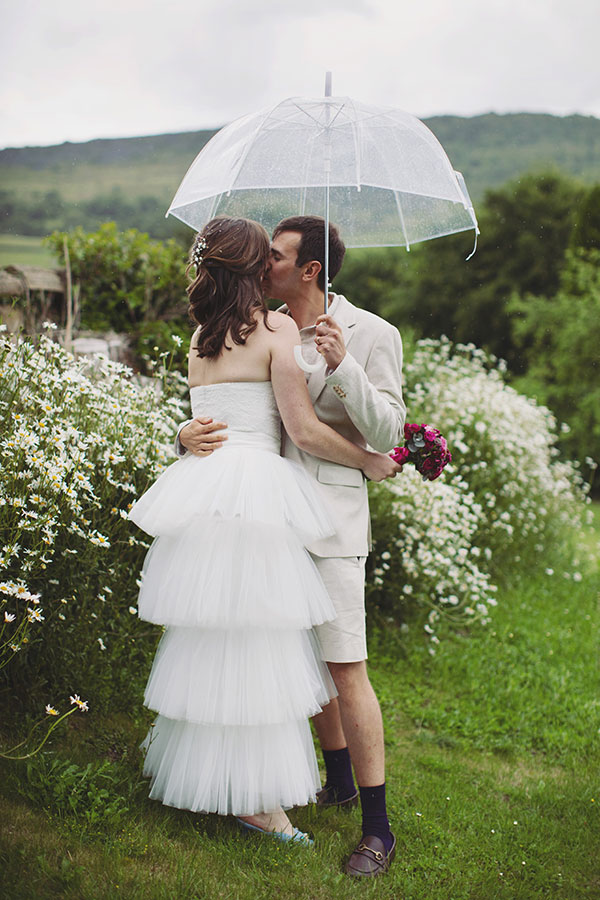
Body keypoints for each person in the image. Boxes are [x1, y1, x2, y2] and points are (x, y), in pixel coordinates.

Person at [129, 216, 399, 848]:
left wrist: (182, 436)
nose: (272, 268)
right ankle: (258, 801)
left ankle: (233, 784)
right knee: (261, 654)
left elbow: (210, 415)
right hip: (262, 499)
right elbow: (300, 430)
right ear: (252, 270)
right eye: (265, 259)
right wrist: (370, 462)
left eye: (282, 257)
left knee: (218, 647)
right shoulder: (275, 327)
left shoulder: (198, 337)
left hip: (211, 501)